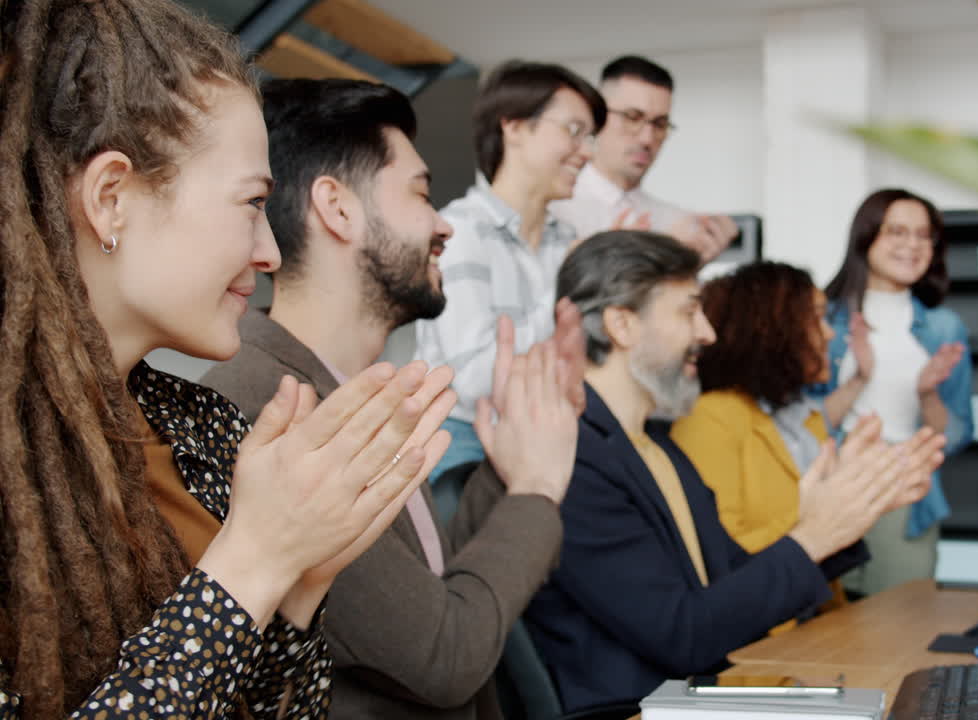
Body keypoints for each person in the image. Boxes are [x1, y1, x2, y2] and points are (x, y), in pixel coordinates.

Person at [0, 1, 453, 717]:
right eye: (250, 203)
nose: (269, 253)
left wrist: (301, 584)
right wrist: (255, 560)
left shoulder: (199, 426)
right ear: (111, 198)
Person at [201, 78, 584, 720]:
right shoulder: (268, 407)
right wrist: (536, 492)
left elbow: (432, 581)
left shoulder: (351, 389)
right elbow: (444, 656)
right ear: (338, 209)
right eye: (422, 194)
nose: (443, 225)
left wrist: (512, 463)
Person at [524, 230, 945, 711]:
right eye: (689, 312)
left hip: (700, 696)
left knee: (915, 700)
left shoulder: (656, 446)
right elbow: (683, 634)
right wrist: (812, 536)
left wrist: (842, 517)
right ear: (622, 325)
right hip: (639, 709)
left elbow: (728, 584)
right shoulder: (572, 458)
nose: (708, 333)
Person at [415, 60, 605, 483]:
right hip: (460, 450)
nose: (588, 152)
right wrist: (567, 289)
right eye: (574, 131)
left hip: (542, 441)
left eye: (590, 137)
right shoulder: (459, 231)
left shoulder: (565, 239)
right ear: (514, 126)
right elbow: (474, 380)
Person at [809, 189, 973, 596]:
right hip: (832, 489)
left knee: (902, 619)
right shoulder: (825, 319)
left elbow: (955, 436)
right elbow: (799, 428)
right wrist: (858, 379)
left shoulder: (945, 328)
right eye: (897, 231)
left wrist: (928, 394)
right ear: (866, 237)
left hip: (907, 498)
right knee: (825, 624)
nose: (912, 245)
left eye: (923, 235)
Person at [670, 262, 840, 556]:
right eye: (816, 317)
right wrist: (823, 516)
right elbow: (721, 556)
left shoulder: (808, 416)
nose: (829, 334)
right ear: (772, 330)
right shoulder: (709, 420)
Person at [549, 55, 738, 263]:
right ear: (598, 116)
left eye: (659, 124)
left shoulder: (675, 226)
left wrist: (689, 264)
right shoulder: (554, 209)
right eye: (632, 117)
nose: (647, 139)